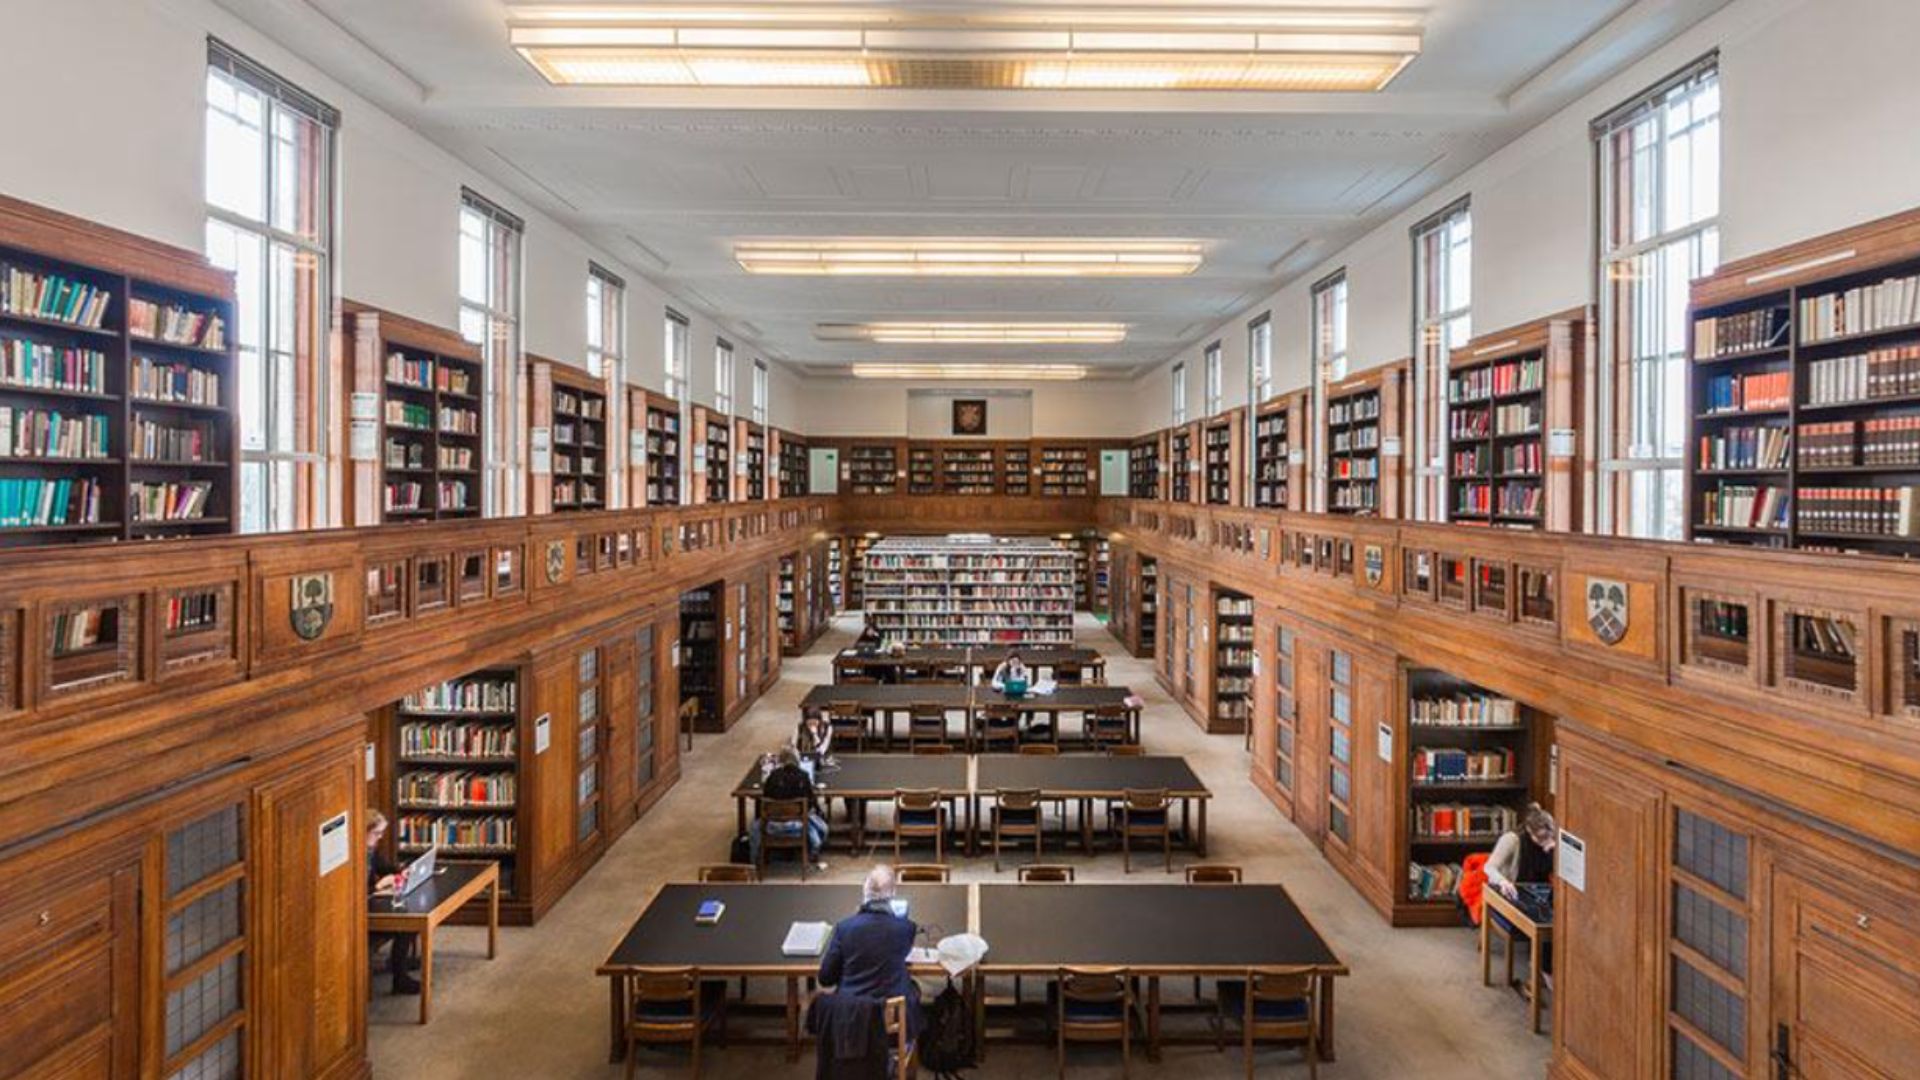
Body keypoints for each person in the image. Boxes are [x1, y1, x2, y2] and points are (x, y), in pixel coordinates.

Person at [818, 865, 922, 1039]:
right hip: (891, 1021)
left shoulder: (844, 928)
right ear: (892, 894)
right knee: (913, 989)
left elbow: (826, 978)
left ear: (864, 894)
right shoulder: (906, 928)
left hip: (850, 1019)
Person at [365, 810, 420, 995]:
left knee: (410, 917)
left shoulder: (371, 850)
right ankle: (400, 979)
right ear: (364, 831)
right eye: (376, 833)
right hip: (359, 915)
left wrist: (401, 873)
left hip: (371, 905)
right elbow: (353, 893)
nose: (379, 838)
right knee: (404, 926)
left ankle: (401, 964)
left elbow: (386, 867)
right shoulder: (354, 856)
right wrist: (379, 885)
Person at [753, 747, 829, 870]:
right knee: (816, 822)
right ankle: (814, 852)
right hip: (797, 827)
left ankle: (755, 860)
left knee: (754, 827)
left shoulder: (772, 777)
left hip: (772, 827)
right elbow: (810, 804)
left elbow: (765, 801)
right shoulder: (804, 777)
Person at [1486, 803, 1557, 899]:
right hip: (1511, 892)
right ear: (1529, 830)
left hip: (1539, 892)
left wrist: (1555, 852)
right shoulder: (1512, 839)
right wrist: (1503, 882)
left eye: (1549, 837)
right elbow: (1489, 867)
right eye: (1541, 838)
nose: (1546, 842)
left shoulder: (1553, 842)